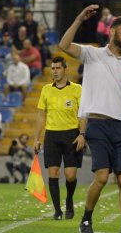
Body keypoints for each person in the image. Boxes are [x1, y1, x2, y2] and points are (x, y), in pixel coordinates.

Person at [59, 4, 121, 233]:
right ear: (112, 31)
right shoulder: (92, 54)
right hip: (97, 124)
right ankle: (86, 220)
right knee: (103, 177)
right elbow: (63, 46)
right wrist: (79, 19)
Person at [34, 56, 84, 221]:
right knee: (53, 172)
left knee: (70, 175)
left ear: (65, 69)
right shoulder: (46, 90)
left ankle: (69, 200)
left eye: (58, 68)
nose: (55, 71)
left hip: (72, 134)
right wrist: (37, 138)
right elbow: (41, 115)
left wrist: (82, 134)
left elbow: (83, 115)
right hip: (52, 135)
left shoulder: (77, 89)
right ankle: (57, 210)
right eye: (53, 68)